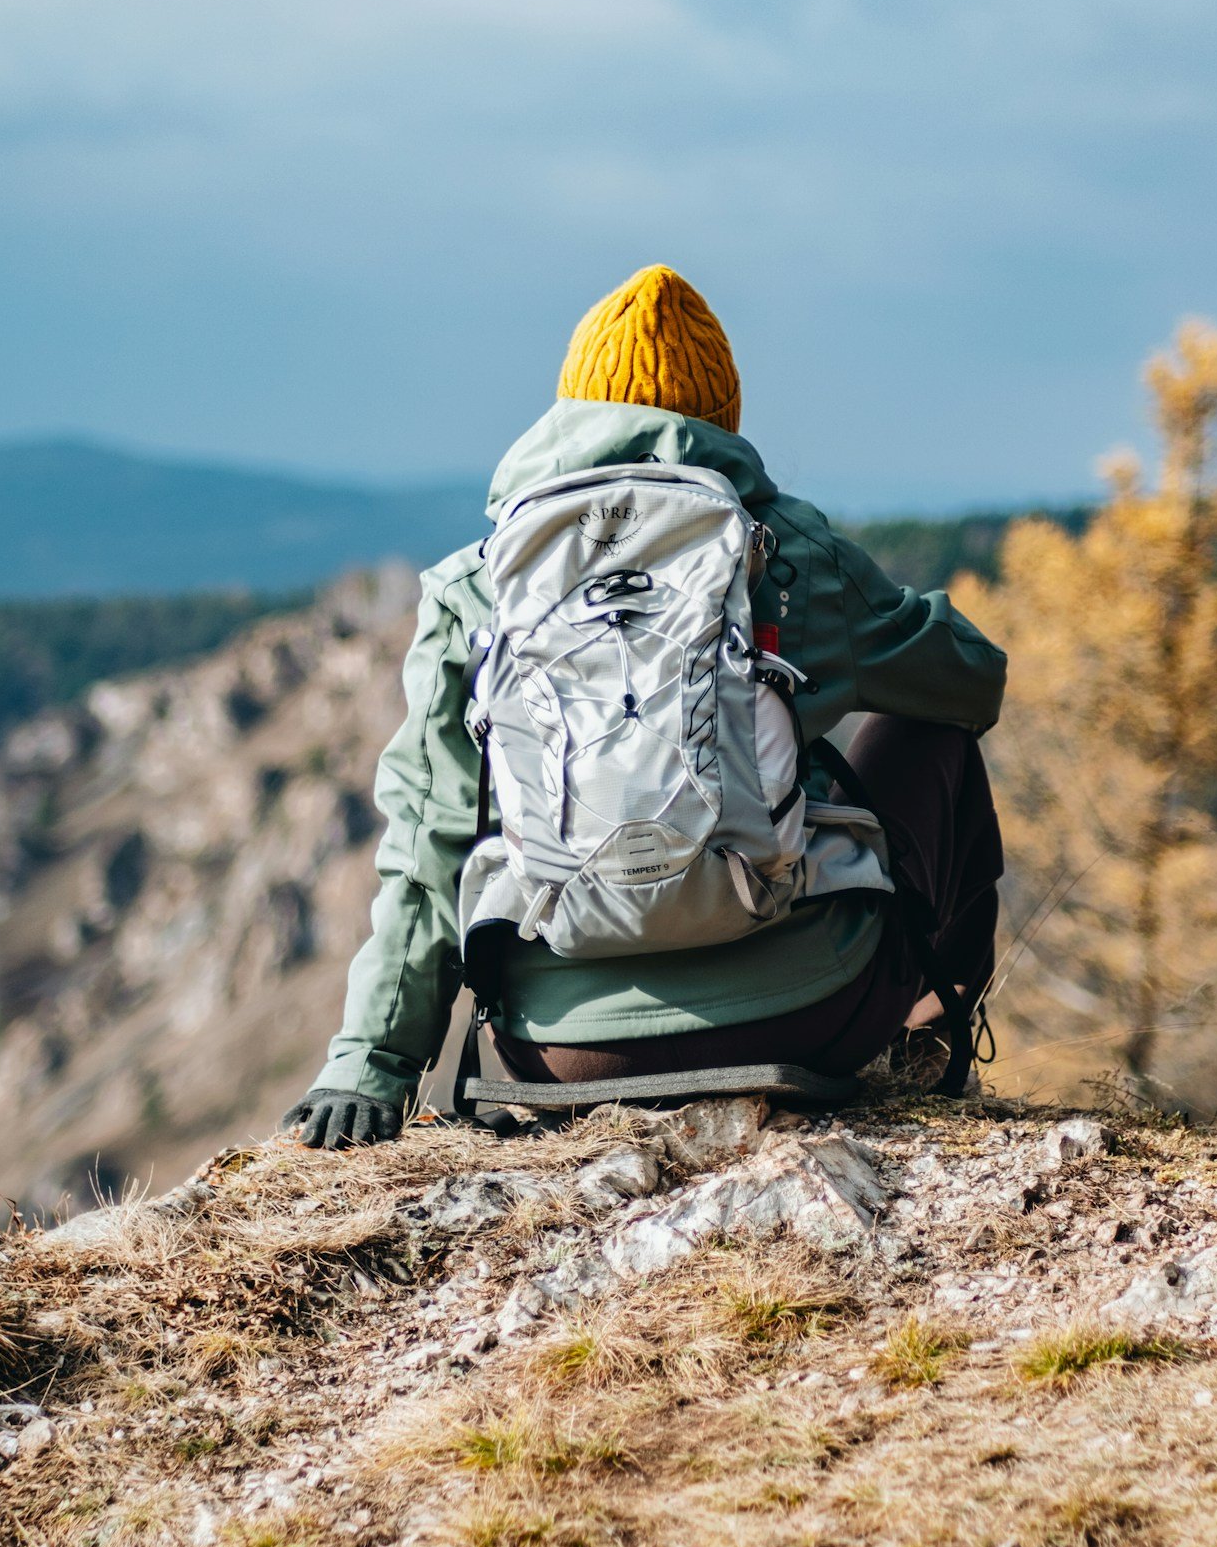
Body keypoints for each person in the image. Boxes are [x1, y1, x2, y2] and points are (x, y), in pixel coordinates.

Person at [281, 266, 1006, 1150]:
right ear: (720, 423)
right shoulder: (786, 549)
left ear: (565, 413)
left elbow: (428, 843)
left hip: (559, 1049)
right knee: (931, 735)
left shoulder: (475, 587)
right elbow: (969, 682)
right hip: (805, 1016)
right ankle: (929, 1052)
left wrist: (369, 1066)